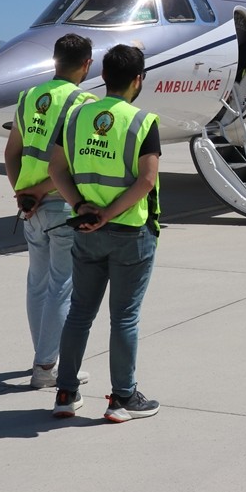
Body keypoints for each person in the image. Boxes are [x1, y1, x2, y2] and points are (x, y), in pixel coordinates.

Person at [47, 44, 162, 422]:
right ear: (138, 80)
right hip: (130, 232)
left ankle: (65, 393)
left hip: (85, 230)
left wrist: (82, 208)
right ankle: (122, 398)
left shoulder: (77, 116)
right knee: (124, 317)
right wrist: (109, 214)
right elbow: (146, 181)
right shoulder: (143, 121)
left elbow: (57, 170)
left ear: (102, 75)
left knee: (80, 312)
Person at [3, 33, 95, 390]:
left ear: (54, 61)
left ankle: (43, 359)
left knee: (37, 283)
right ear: (87, 64)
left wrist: (23, 194)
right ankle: (46, 367)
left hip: (31, 210)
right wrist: (44, 191)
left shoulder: (29, 98)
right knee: (62, 286)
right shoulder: (84, 102)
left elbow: (11, 153)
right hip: (61, 204)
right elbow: (74, 163)